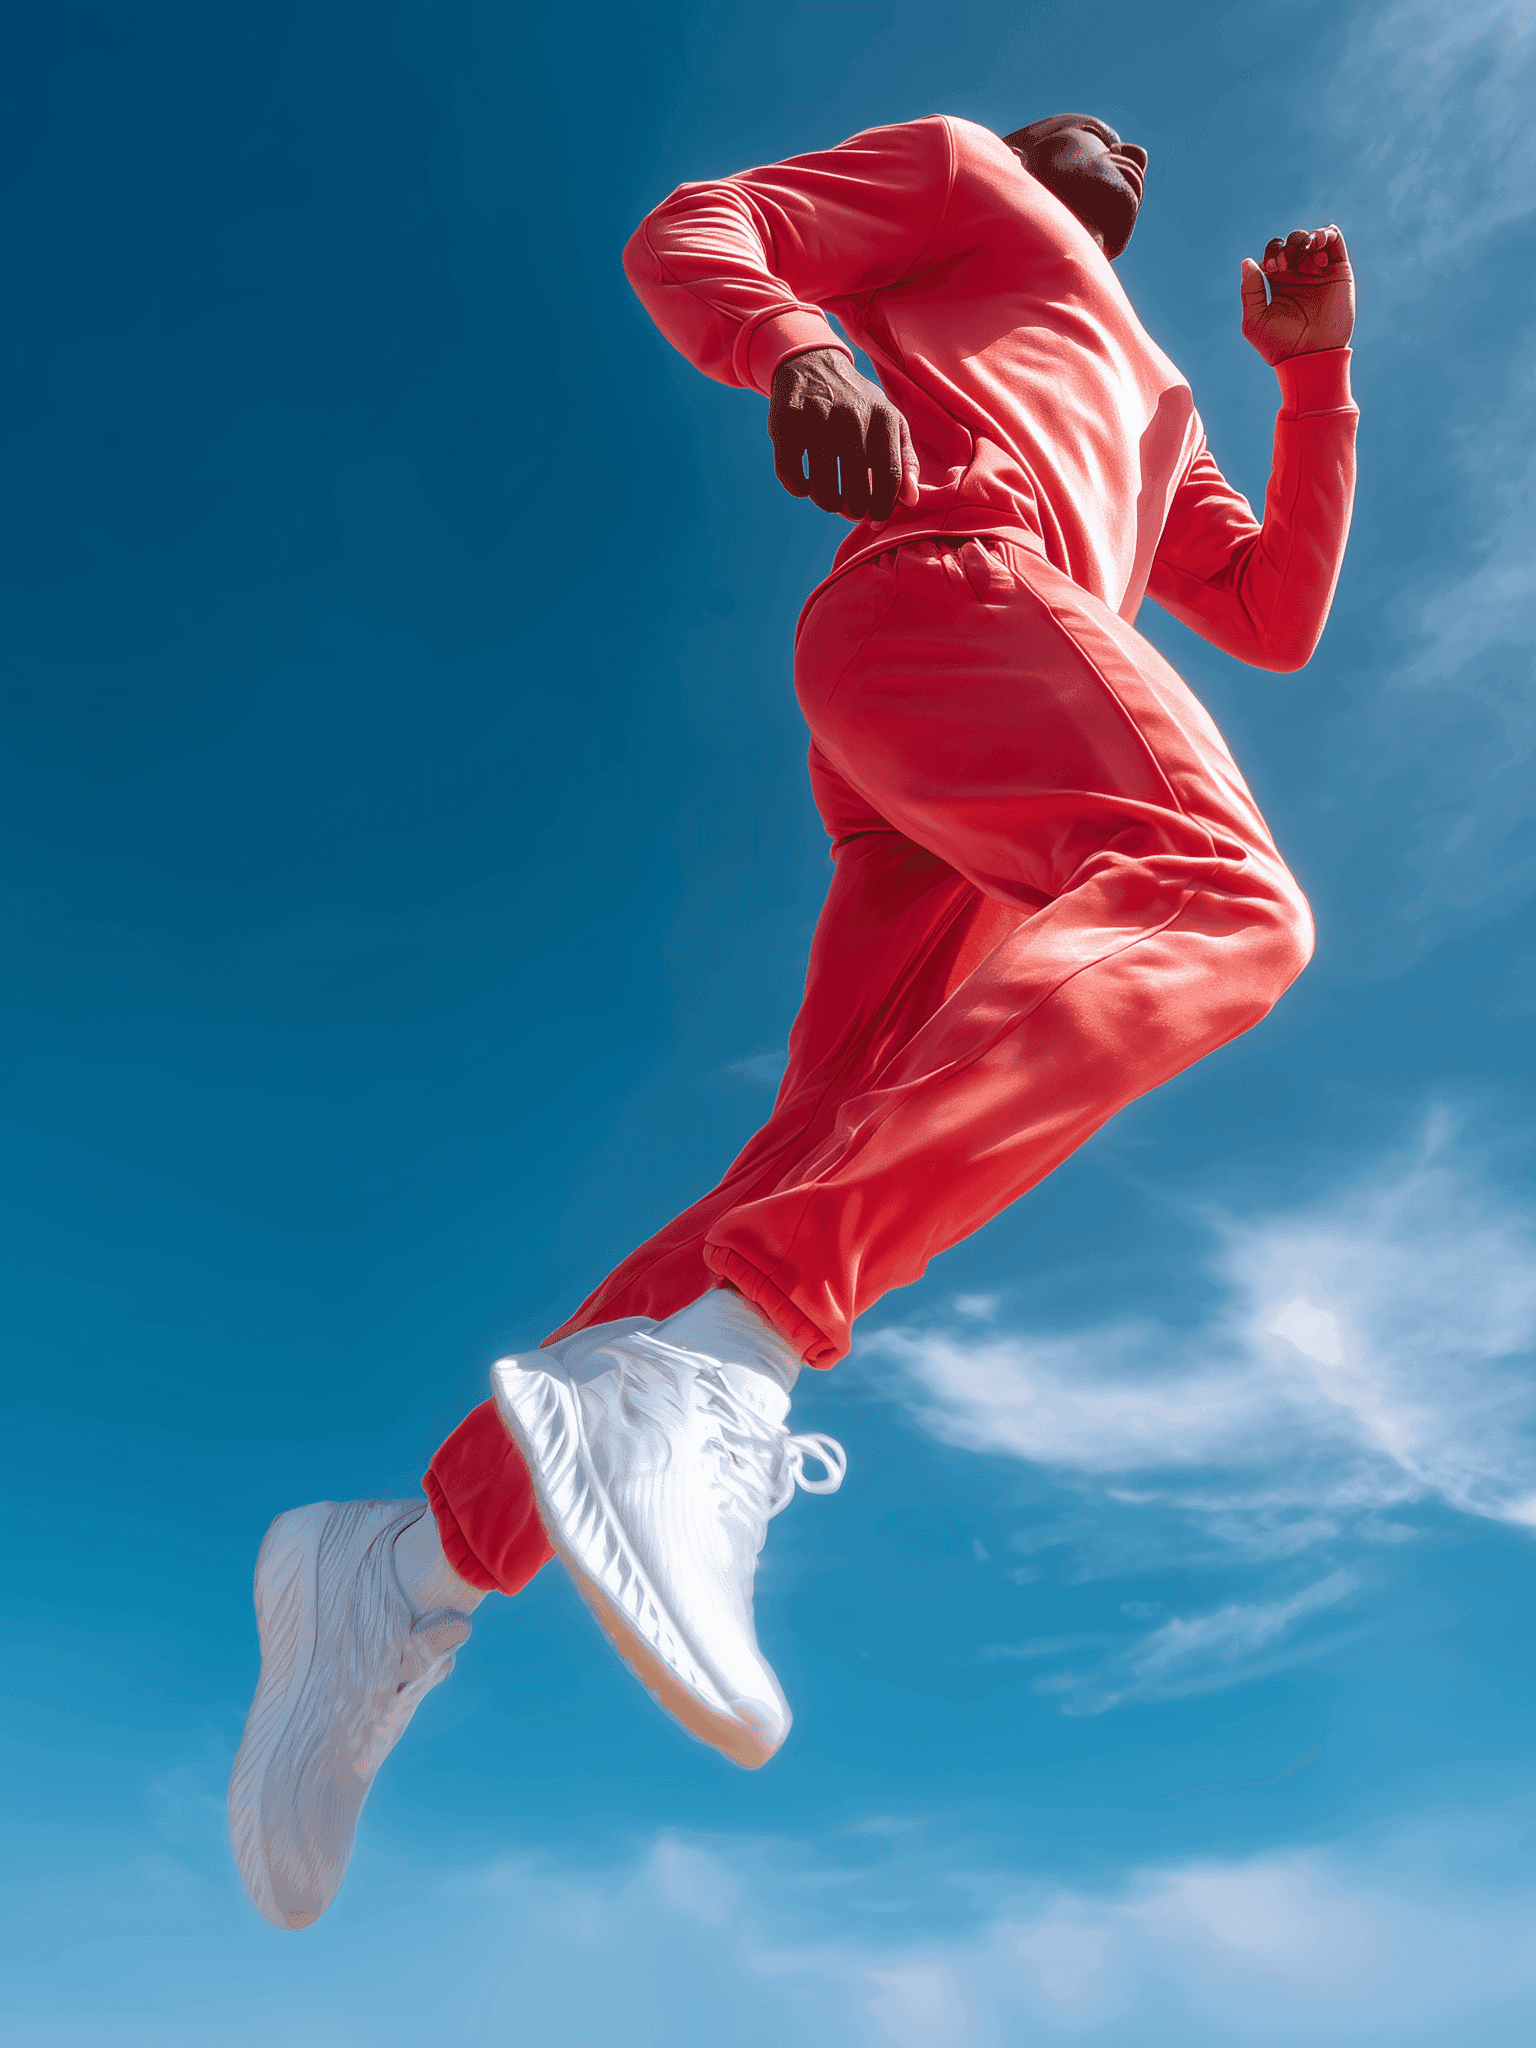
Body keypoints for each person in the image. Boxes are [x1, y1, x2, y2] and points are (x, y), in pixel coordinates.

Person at [228, 111, 1358, 1929]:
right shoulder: (968, 178)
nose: (1122, 139)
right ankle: (718, 1365)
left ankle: (405, 1570)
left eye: (1143, 141)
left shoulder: (1167, 406)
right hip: (952, 599)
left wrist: (1311, 387)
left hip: (973, 744)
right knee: (1218, 901)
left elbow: (1274, 611)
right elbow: (698, 224)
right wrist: (806, 342)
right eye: (1084, 120)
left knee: (816, 1154)